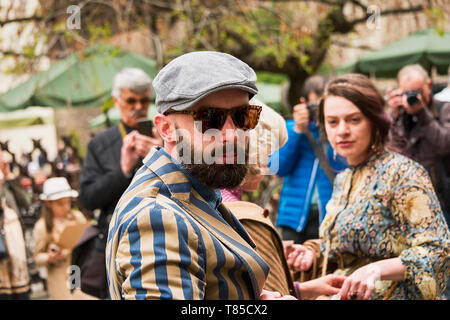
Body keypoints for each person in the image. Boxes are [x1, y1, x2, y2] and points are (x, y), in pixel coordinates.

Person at [106, 51, 346, 300]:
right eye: (211, 119)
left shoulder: (198, 189)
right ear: (166, 129)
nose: (233, 135)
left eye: (243, 116)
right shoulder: (158, 218)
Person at [287, 73, 450, 300]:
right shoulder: (344, 179)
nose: (342, 130)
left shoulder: (402, 173)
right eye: (333, 122)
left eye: (354, 119)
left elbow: (437, 251)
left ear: (374, 121)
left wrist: (378, 269)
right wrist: (313, 252)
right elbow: (346, 244)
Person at [77, 67, 162, 298]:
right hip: (116, 244)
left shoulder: (164, 136)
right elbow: (88, 199)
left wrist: (160, 154)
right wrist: (122, 170)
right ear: (116, 101)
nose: (138, 107)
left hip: (160, 239)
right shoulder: (101, 144)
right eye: (130, 101)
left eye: (144, 100)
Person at [269, 75, 347, 244]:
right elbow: (277, 168)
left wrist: (330, 128)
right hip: (293, 217)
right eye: (314, 106)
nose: (319, 111)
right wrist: (298, 130)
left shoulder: (339, 131)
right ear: (303, 102)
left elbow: (345, 167)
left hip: (330, 216)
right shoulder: (290, 129)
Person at [386, 64, 450, 225]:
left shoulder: (444, 108)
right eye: (408, 93)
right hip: (409, 201)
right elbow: (390, 150)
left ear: (428, 86)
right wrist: (394, 116)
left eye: (417, 92)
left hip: (441, 200)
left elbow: (445, 145)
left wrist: (422, 113)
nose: (413, 98)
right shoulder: (401, 115)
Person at [32, 177, 94, 300]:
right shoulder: (42, 226)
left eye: (68, 202)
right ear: (48, 203)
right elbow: (37, 256)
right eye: (60, 204)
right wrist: (50, 257)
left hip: (79, 271)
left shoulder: (77, 217)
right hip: (58, 276)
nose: (66, 207)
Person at [0, 150, 30, 300]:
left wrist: (10, 178)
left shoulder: (7, 182)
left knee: (21, 291)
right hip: (2, 248)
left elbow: (25, 202)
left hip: (15, 244)